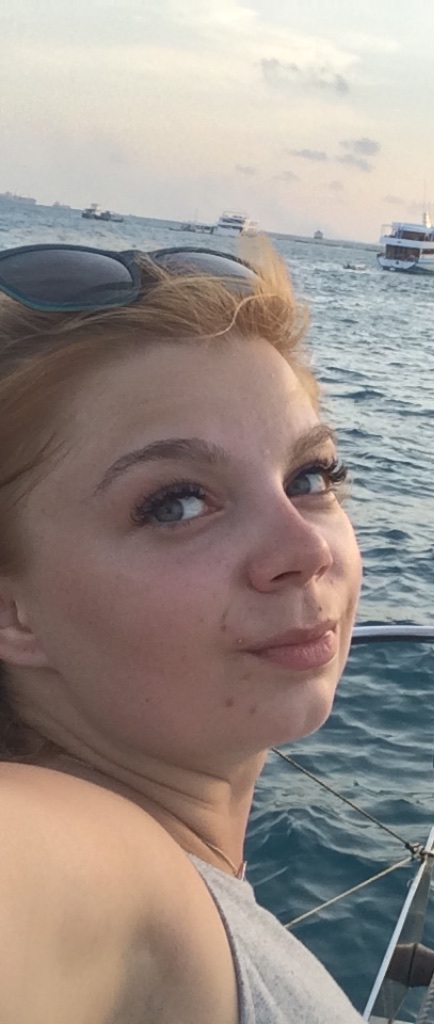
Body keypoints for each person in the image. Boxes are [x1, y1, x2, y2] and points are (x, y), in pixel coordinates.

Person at [0, 241, 365, 1023]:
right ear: (11, 611)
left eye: (310, 477)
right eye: (176, 504)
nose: (306, 550)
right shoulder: (115, 879)